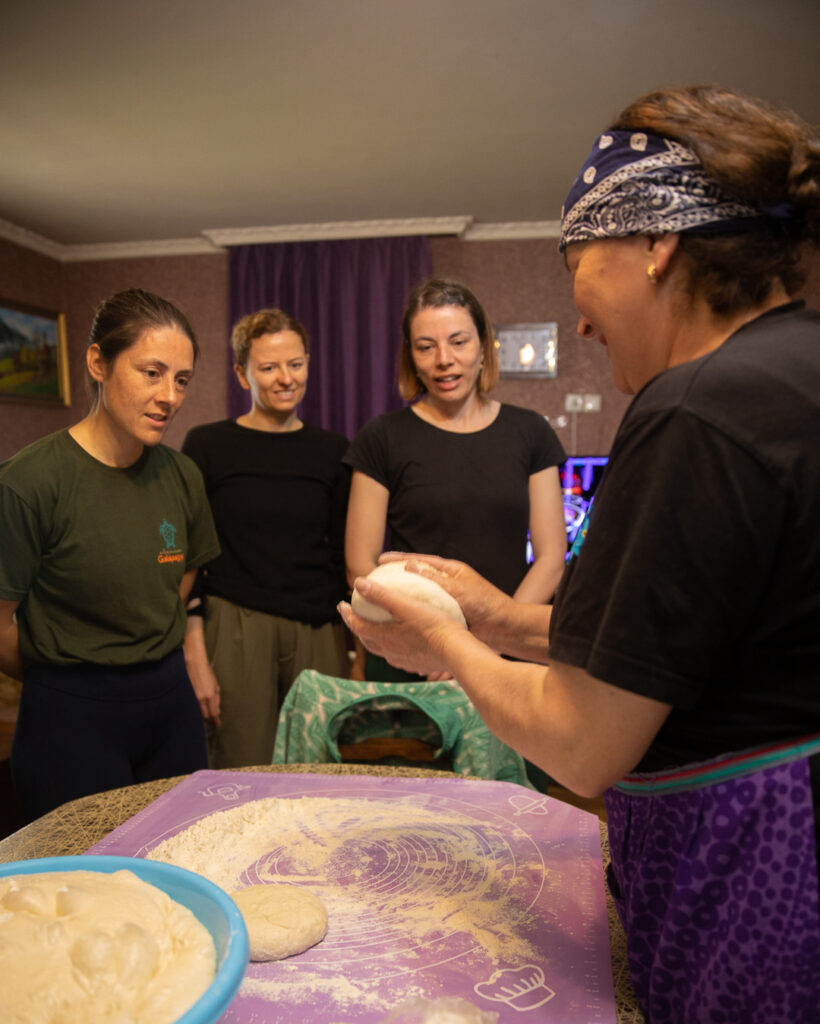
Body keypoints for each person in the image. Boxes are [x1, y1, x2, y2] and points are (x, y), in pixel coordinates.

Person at [339, 85, 820, 1024]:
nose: (583, 322)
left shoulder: (695, 410)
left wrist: (446, 643)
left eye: (578, 268)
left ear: (656, 244)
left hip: (757, 866)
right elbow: (669, 640)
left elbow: (583, 741)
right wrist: (498, 616)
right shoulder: (794, 368)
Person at [0, 288, 219, 822]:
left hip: (170, 705)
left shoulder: (183, 475)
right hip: (70, 715)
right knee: (88, 866)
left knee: (181, 852)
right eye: (152, 373)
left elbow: (183, 574)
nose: (169, 396)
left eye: (182, 379)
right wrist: (68, 677)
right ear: (98, 362)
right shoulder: (29, 483)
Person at [344, 277, 567, 680]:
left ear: (483, 346)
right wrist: (428, 642)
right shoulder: (381, 437)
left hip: (506, 660)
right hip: (412, 654)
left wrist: (492, 641)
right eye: (426, 347)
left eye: (458, 342)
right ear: (411, 356)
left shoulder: (531, 432)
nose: (443, 359)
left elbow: (551, 559)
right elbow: (360, 564)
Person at [181, 308, 350, 768]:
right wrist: (194, 653)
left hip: (319, 629)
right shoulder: (206, 446)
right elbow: (189, 557)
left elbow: (343, 555)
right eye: (269, 367)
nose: (285, 378)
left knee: (319, 772)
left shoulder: (334, 451)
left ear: (308, 364)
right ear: (242, 374)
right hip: (235, 625)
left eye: (295, 364)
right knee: (241, 768)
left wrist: (354, 651)